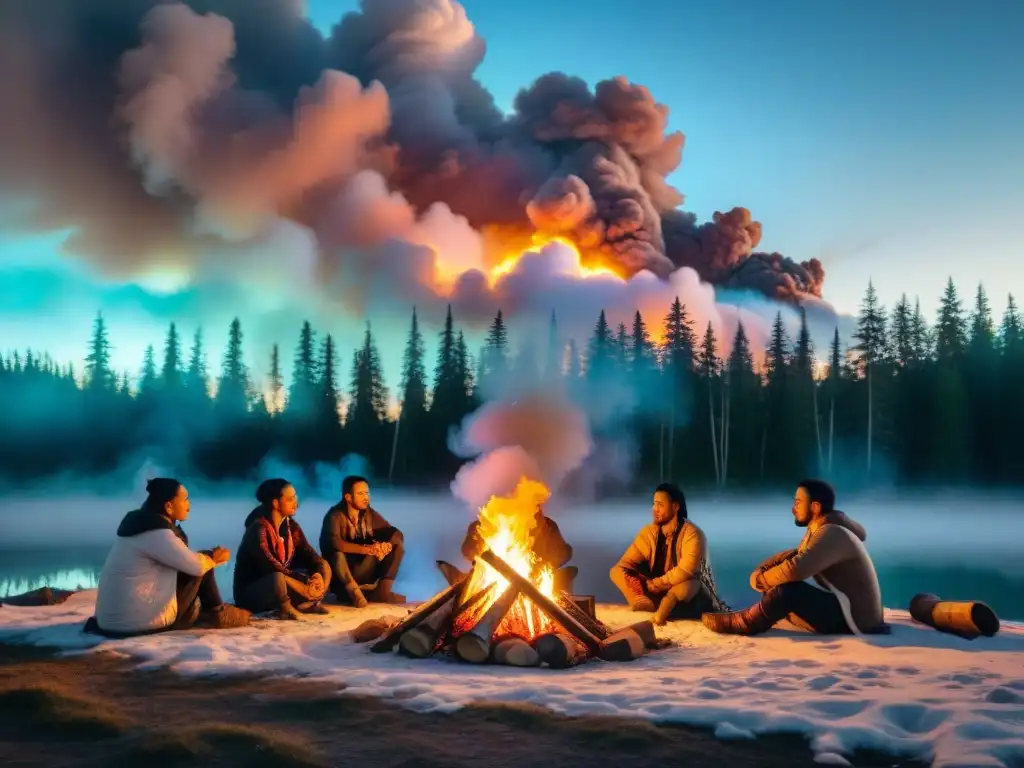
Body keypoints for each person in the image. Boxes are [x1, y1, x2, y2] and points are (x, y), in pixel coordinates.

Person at [701, 479, 884, 636]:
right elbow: (795, 555)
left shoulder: (832, 533)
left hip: (857, 619)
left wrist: (761, 580)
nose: (793, 509)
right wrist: (763, 576)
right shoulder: (822, 529)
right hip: (849, 612)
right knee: (778, 585)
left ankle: (745, 622)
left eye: (798, 502)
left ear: (815, 507)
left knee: (787, 592)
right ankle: (761, 614)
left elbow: (796, 568)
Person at [86, 478, 250, 637]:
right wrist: (214, 557)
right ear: (169, 506)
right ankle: (217, 612)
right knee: (202, 564)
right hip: (138, 623)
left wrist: (208, 557)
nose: (189, 505)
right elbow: (196, 567)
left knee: (198, 560)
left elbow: (185, 560)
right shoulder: (157, 533)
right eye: (185, 500)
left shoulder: (141, 528)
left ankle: (213, 610)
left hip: (113, 622)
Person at [609, 482, 728, 626]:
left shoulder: (693, 534)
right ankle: (641, 602)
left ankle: (662, 612)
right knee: (616, 571)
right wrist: (639, 587)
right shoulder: (648, 533)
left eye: (660, 505)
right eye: (654, 504)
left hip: (688, 598)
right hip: (655, 591)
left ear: (675, 507)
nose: (654, 509)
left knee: (691, 582)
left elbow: (686, 570)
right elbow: (626, 564)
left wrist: (659, 583)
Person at [233, 479, 332, 620]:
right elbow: (271, 567)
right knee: (278, 578)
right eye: (290, 499)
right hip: (256, 592)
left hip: (285, 582)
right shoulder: (258, 529)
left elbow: (310, 556)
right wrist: (304, 584)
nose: (296, 503)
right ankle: (286, 608)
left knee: (324, 565)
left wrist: (318, 577)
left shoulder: (291, 526)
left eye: (295, 498)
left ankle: (313, 600)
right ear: (275, 503)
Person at [447, 503, 578, 594]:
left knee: (566, 575)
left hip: (536, 582)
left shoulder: (548, 526)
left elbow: (565, 553)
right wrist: (480, 559)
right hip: (493, 582)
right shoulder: (484, 525)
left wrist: (546, 565)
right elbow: (467, 550)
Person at [319, 475, 406, 606]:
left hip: (363, 570)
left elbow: (396, 533)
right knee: (337, 555)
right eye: (360, 494)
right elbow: (336, 543)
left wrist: (386, 545)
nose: (366, 498)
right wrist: (369, 549)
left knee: (397, 546)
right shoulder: (334, 516)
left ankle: (383, 591)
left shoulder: (368, 513)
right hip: (341, 577)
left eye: (367, 493)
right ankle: (354, 592)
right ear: (348, 497)